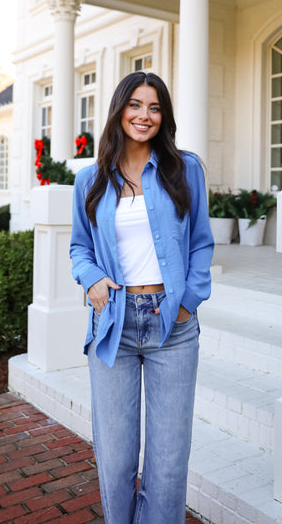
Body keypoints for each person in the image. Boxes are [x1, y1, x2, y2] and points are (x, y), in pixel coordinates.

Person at [70, 71, 214, 524]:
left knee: (169, 461)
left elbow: (201, 244)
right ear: (119, 110)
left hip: (173, 324)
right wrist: (91, 279)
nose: (144, 115)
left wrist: (188, 301)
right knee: (114, 458)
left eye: (154, 107)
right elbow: (79, 247)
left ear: (163, 116)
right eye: (135, 105)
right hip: (113, 323)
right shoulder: (90, 179)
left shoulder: (185, 169)